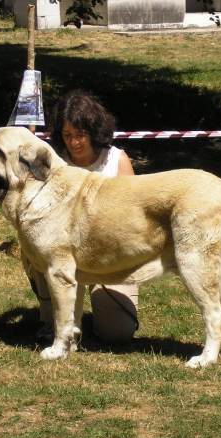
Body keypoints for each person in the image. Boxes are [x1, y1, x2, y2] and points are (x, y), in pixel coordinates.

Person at [22, 90, 139, 344]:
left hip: (109, 256)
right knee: (35, 244)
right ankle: (51, 321)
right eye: (67, 135)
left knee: (116, 333)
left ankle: (91, 309)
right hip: (61, 252)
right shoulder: (53, 163)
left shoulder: (117, 161)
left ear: (94, 131)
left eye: (80, 135)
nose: (74, 142)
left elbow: (132, 218)